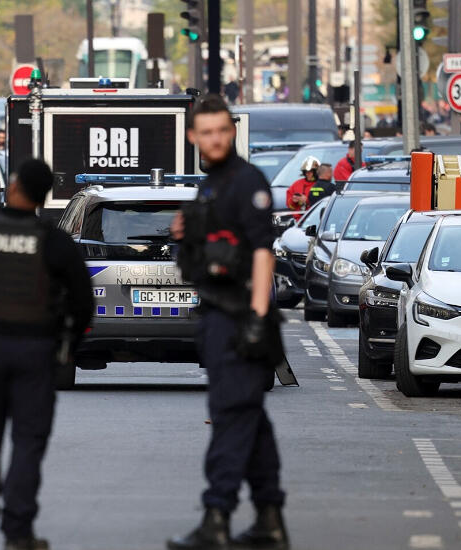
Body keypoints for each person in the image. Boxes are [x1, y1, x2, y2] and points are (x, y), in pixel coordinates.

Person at [0, 158, 93, 550]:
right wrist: (66, 348)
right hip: (37, 351)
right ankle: (18, 532)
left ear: (14, 188)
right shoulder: (53, 241)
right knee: (28, 441)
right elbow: (82, 301)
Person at [168, 95, 288, 550]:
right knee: (250, 420)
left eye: (223, 130)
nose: (216, 139)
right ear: (193, 136)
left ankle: (216, 515)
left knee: (231, 415)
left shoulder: (246, 180)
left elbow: (261, 251)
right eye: (208, 132)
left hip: (240, 315)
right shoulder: (211, 183)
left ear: (231, 131)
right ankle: (270, 518)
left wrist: (257, 316)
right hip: (216, 311)